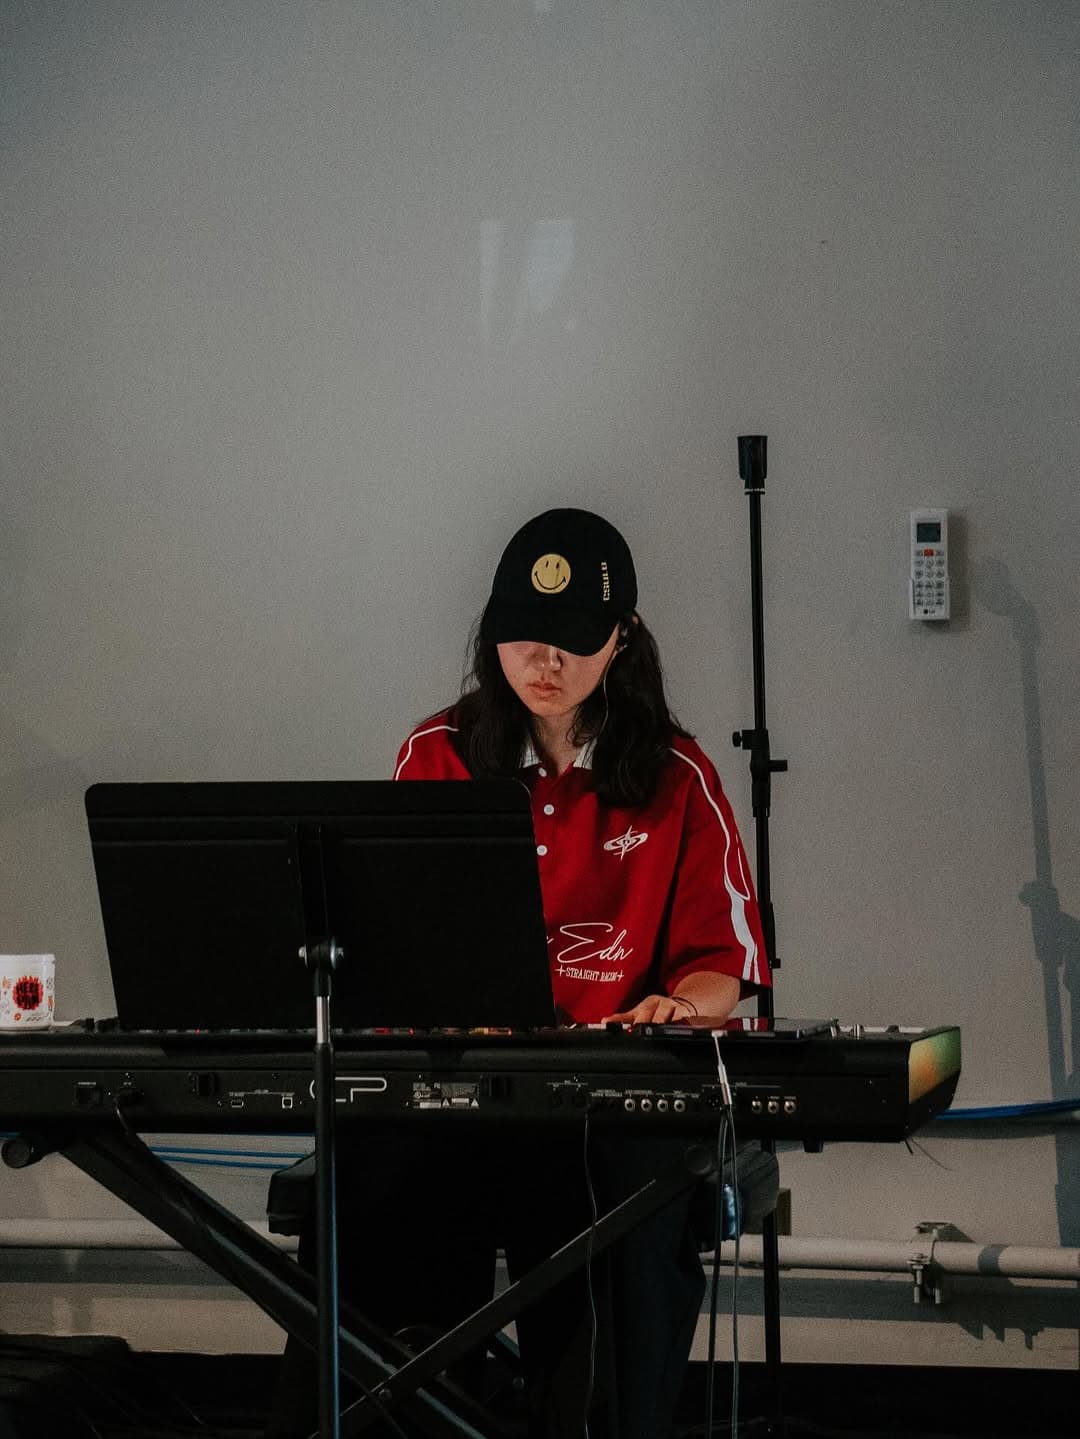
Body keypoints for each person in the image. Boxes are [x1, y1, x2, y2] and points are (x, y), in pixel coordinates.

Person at [268, 507, 768, 1439]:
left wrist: (673, 1005)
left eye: (574, 644)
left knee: (632, 1203)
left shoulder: (677, 776)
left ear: (620, 641)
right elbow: (392, 946)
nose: (545, 664)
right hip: (464, 1094)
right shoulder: (437, 755)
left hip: (602, 1110)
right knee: (371, 1177)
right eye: (524, 640)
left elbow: (721, 967)